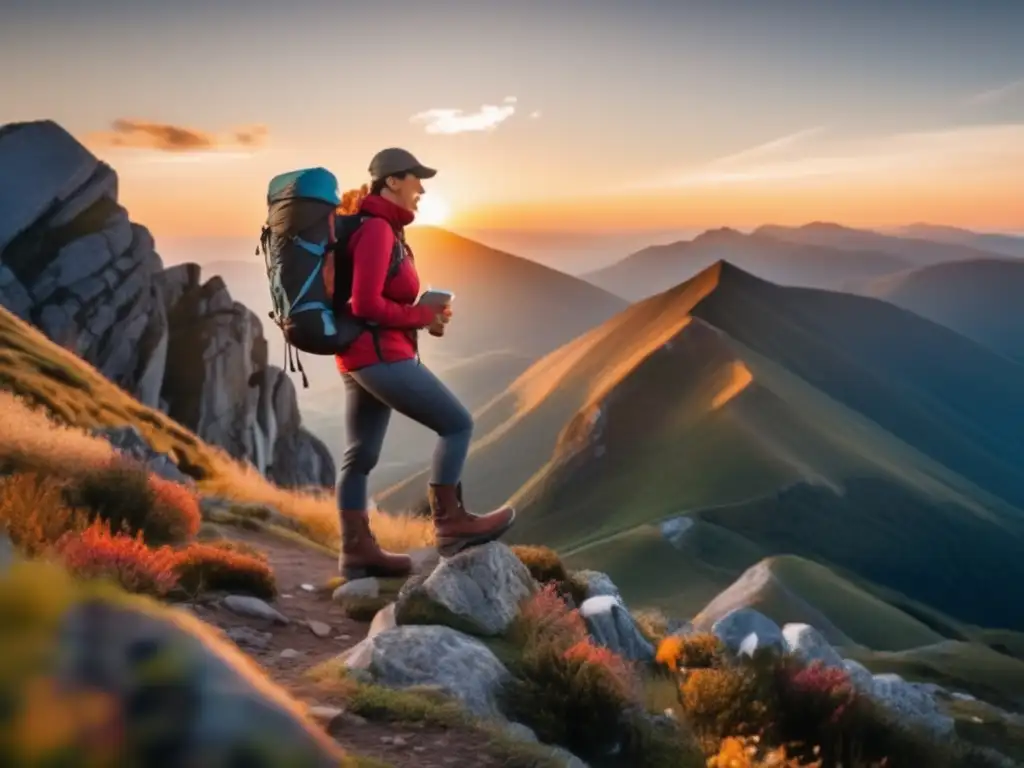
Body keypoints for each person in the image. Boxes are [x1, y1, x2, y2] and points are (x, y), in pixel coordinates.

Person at [334, 147, 516, 579]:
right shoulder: (378, 230)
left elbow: (375, 302)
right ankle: (450, 524)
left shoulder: (382, 229)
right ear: (392, 181)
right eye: (416, 178)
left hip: (359, 356)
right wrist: (419, 315)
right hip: (380, 356)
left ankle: (356, 553)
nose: (422, 188)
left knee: (360, 455)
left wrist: (423, 317)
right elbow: (365, 304)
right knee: (457, 424)